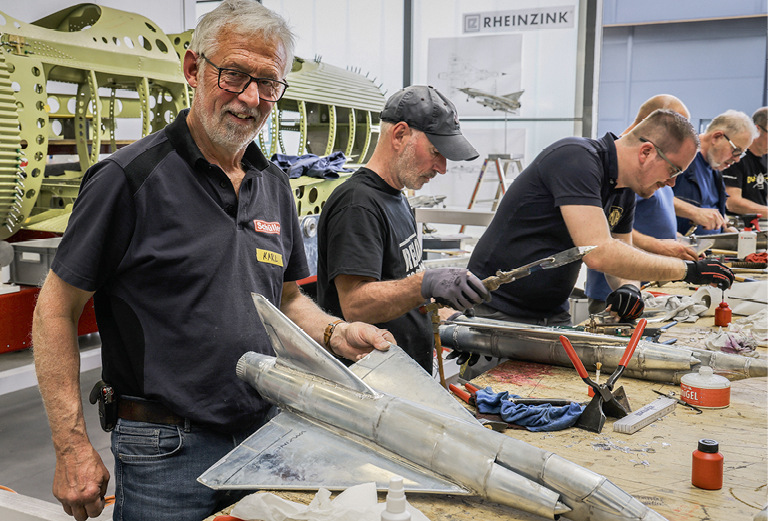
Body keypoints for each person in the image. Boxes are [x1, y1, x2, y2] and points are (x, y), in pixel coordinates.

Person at [31, 2, 394, 520]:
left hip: (266, 434)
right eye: (234, 74)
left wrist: (337, 333)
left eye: (268, 83)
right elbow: (55, 310)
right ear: (193, 69)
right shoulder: (127, 179)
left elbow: (287, 297)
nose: (250, 97)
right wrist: (70, 447)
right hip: (165, 450)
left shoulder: (273, 184)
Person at [467, 109, 734, 326]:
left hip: (551, 313)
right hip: (497, 309)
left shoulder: (624, 191)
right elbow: (599, 254)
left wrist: (629, 289)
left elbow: (621, 254)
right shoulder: (576, 159)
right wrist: (686, 271)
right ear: (647, 152)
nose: (673, 183)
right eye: (673, 170)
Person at [316, 85, 490, 373]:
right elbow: (355, 306)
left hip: (404, 376)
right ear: (399, 135)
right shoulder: (357, 204)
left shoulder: (396, 197)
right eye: (436, 152)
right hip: (370, 383)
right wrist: (424, 282)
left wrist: (455, 323)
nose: (443, 167)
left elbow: (401, 289)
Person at [585, 95, 699, 315]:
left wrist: (629, 287)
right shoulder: (600, 165)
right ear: (653, 125)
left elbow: (622, 238)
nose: (672, 182)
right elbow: (601, 243)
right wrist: (673, 259)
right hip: (606, 287)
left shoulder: (633, 180)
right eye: (676, 129)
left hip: (631, 281)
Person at [673, 110, 758, 236]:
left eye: (742, 153)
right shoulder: (682, 157)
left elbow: (712, 207)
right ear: (717, 137)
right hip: (675, 247)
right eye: (736, 150)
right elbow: (654, 196)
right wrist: (694, 212)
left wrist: (726, 225)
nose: (737, 159)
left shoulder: (715, 167)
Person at [723, 107, 768, 217]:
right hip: (738, 223)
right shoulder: (736, 157)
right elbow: (732, 203)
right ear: (758, 130)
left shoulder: (765, 156)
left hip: (761, 221)